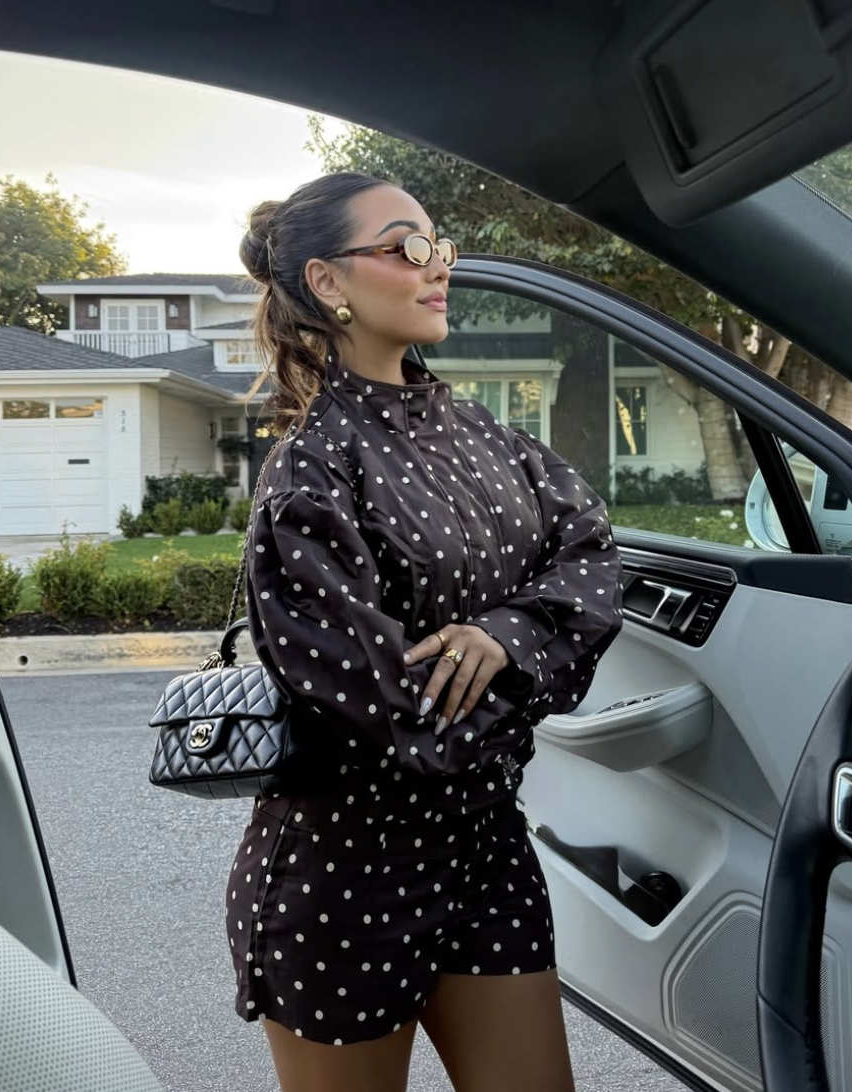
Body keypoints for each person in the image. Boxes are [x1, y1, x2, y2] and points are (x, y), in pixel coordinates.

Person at [225, 171, 622, 1092]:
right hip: (344, 879)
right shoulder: (309, 472)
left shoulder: (485, 433)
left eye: (440, 247)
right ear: (329, 282)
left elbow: (593, 555)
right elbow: (396, 713)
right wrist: (534, 674)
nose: (438, 266)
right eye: (407, 247)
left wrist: (507, 636)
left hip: (487, 853)